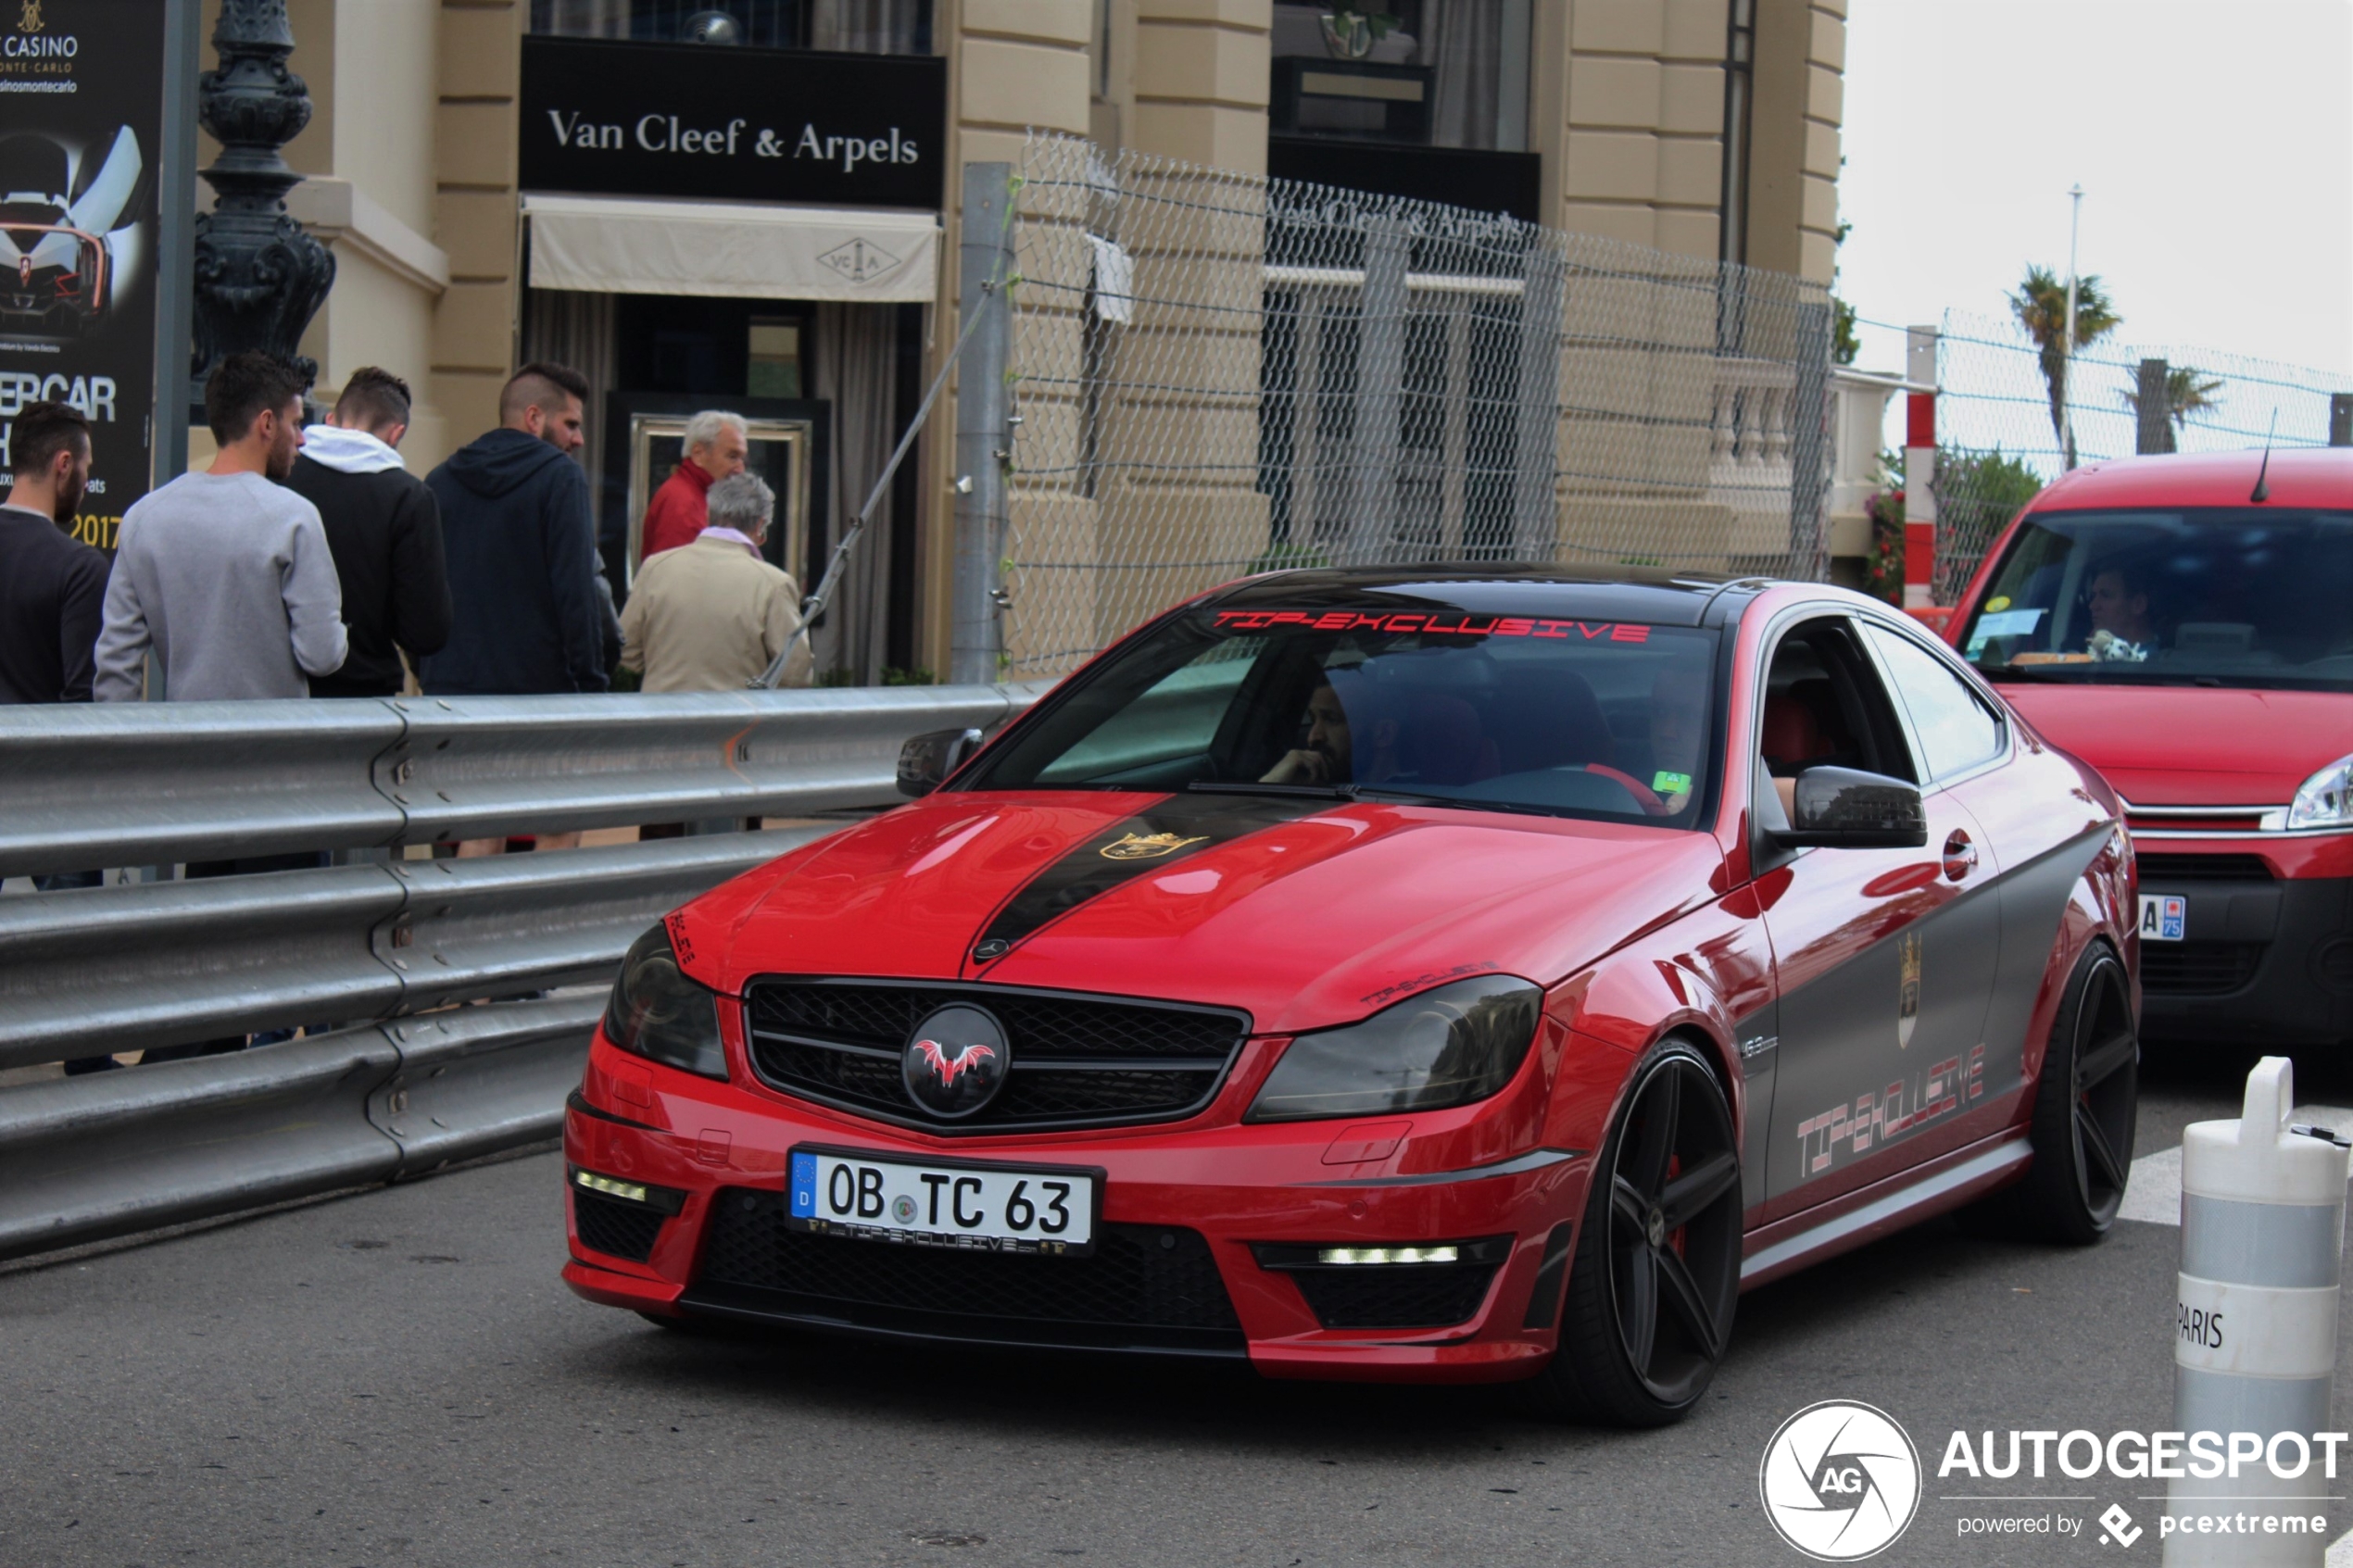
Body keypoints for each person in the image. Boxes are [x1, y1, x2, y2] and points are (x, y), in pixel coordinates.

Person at [422, 362, 608, 856]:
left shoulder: (440, 480)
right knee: (558, 826)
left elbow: (420, 591)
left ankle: (470, 931)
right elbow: (576, 595)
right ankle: (543, 930)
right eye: (571, 423)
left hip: (455, 695)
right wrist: (591, 688)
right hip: (542, 695)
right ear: (533, 417)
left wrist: (431, 673)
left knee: (480, 827)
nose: (578, 439)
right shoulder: (560, 480)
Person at [94, 352, 346, 702]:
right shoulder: (293, 518)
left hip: (185, 745)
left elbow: (116, 664)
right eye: (296, 423)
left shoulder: (145, 517)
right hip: (277, 747)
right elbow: (322, 655)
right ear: (267, 424)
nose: (301, 439)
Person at [284, 367, 452, 699]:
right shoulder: (408, 498)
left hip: (282, 687)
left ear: (330, 419)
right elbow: (425, 632)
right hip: (364, 694)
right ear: (396, 434)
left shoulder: (283, 476)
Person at [619, 471, 812, 693]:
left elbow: (627, 652)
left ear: (709, 513)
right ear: (760, 526)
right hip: (734, 720)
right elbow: (795, 671)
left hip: (661, 717)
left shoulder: (656, 567)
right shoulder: (774, 583)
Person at [0, 400, 107, 706]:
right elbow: (82, 699)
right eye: (86, 467)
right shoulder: (80, 569)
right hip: (34, 752)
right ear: (64, 464)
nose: (86, 483)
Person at [638, 410, 749, 564]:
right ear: (698, 454)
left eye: (742, 459)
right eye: (732, 457)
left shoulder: (694, 494)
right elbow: (677, 578)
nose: (740, 469)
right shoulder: (683, 503)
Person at [1261, 668, 1398, 785]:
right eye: (1313, 719)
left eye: (1332, 720)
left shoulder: (1412, 799)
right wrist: (1274, 782)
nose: (1313, 736)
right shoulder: (1313, 785)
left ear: (1383, 733)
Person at [2084, 564, 2155, 659]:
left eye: (2106, 595)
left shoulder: (2160, 663)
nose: (2092, 606)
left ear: (2138, 605)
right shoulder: (2091, 655)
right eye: (2094, 596)